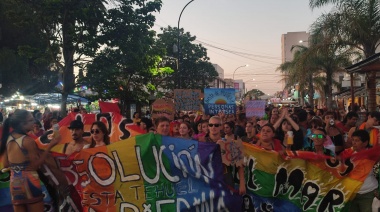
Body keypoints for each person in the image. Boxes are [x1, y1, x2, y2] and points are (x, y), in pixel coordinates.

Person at [0, 109, 61, 211]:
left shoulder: (7, 139)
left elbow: (6, 164)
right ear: (23, 124)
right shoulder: (28, 141)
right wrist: (50, 146)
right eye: (31, 120)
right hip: (30, 181)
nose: (34, 122)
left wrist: (17, 167)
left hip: (15, 182)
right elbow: (35, 165)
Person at [200, 116, 246, 195]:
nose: (213, 127)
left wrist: (242, 183)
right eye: (211, 125)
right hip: (207, 179)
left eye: (216, 125)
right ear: (208, 126)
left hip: (225, 179)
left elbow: (239, 163)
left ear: (221, 126)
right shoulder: (201, 142)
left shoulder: (229, 143)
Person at [344, 130, 377, 212]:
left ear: (365, 143)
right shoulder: (348, 153)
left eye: (357, 141)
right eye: (353, 140)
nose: (354, 143)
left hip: (368, 193)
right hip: (352, 194)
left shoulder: (371, 155)